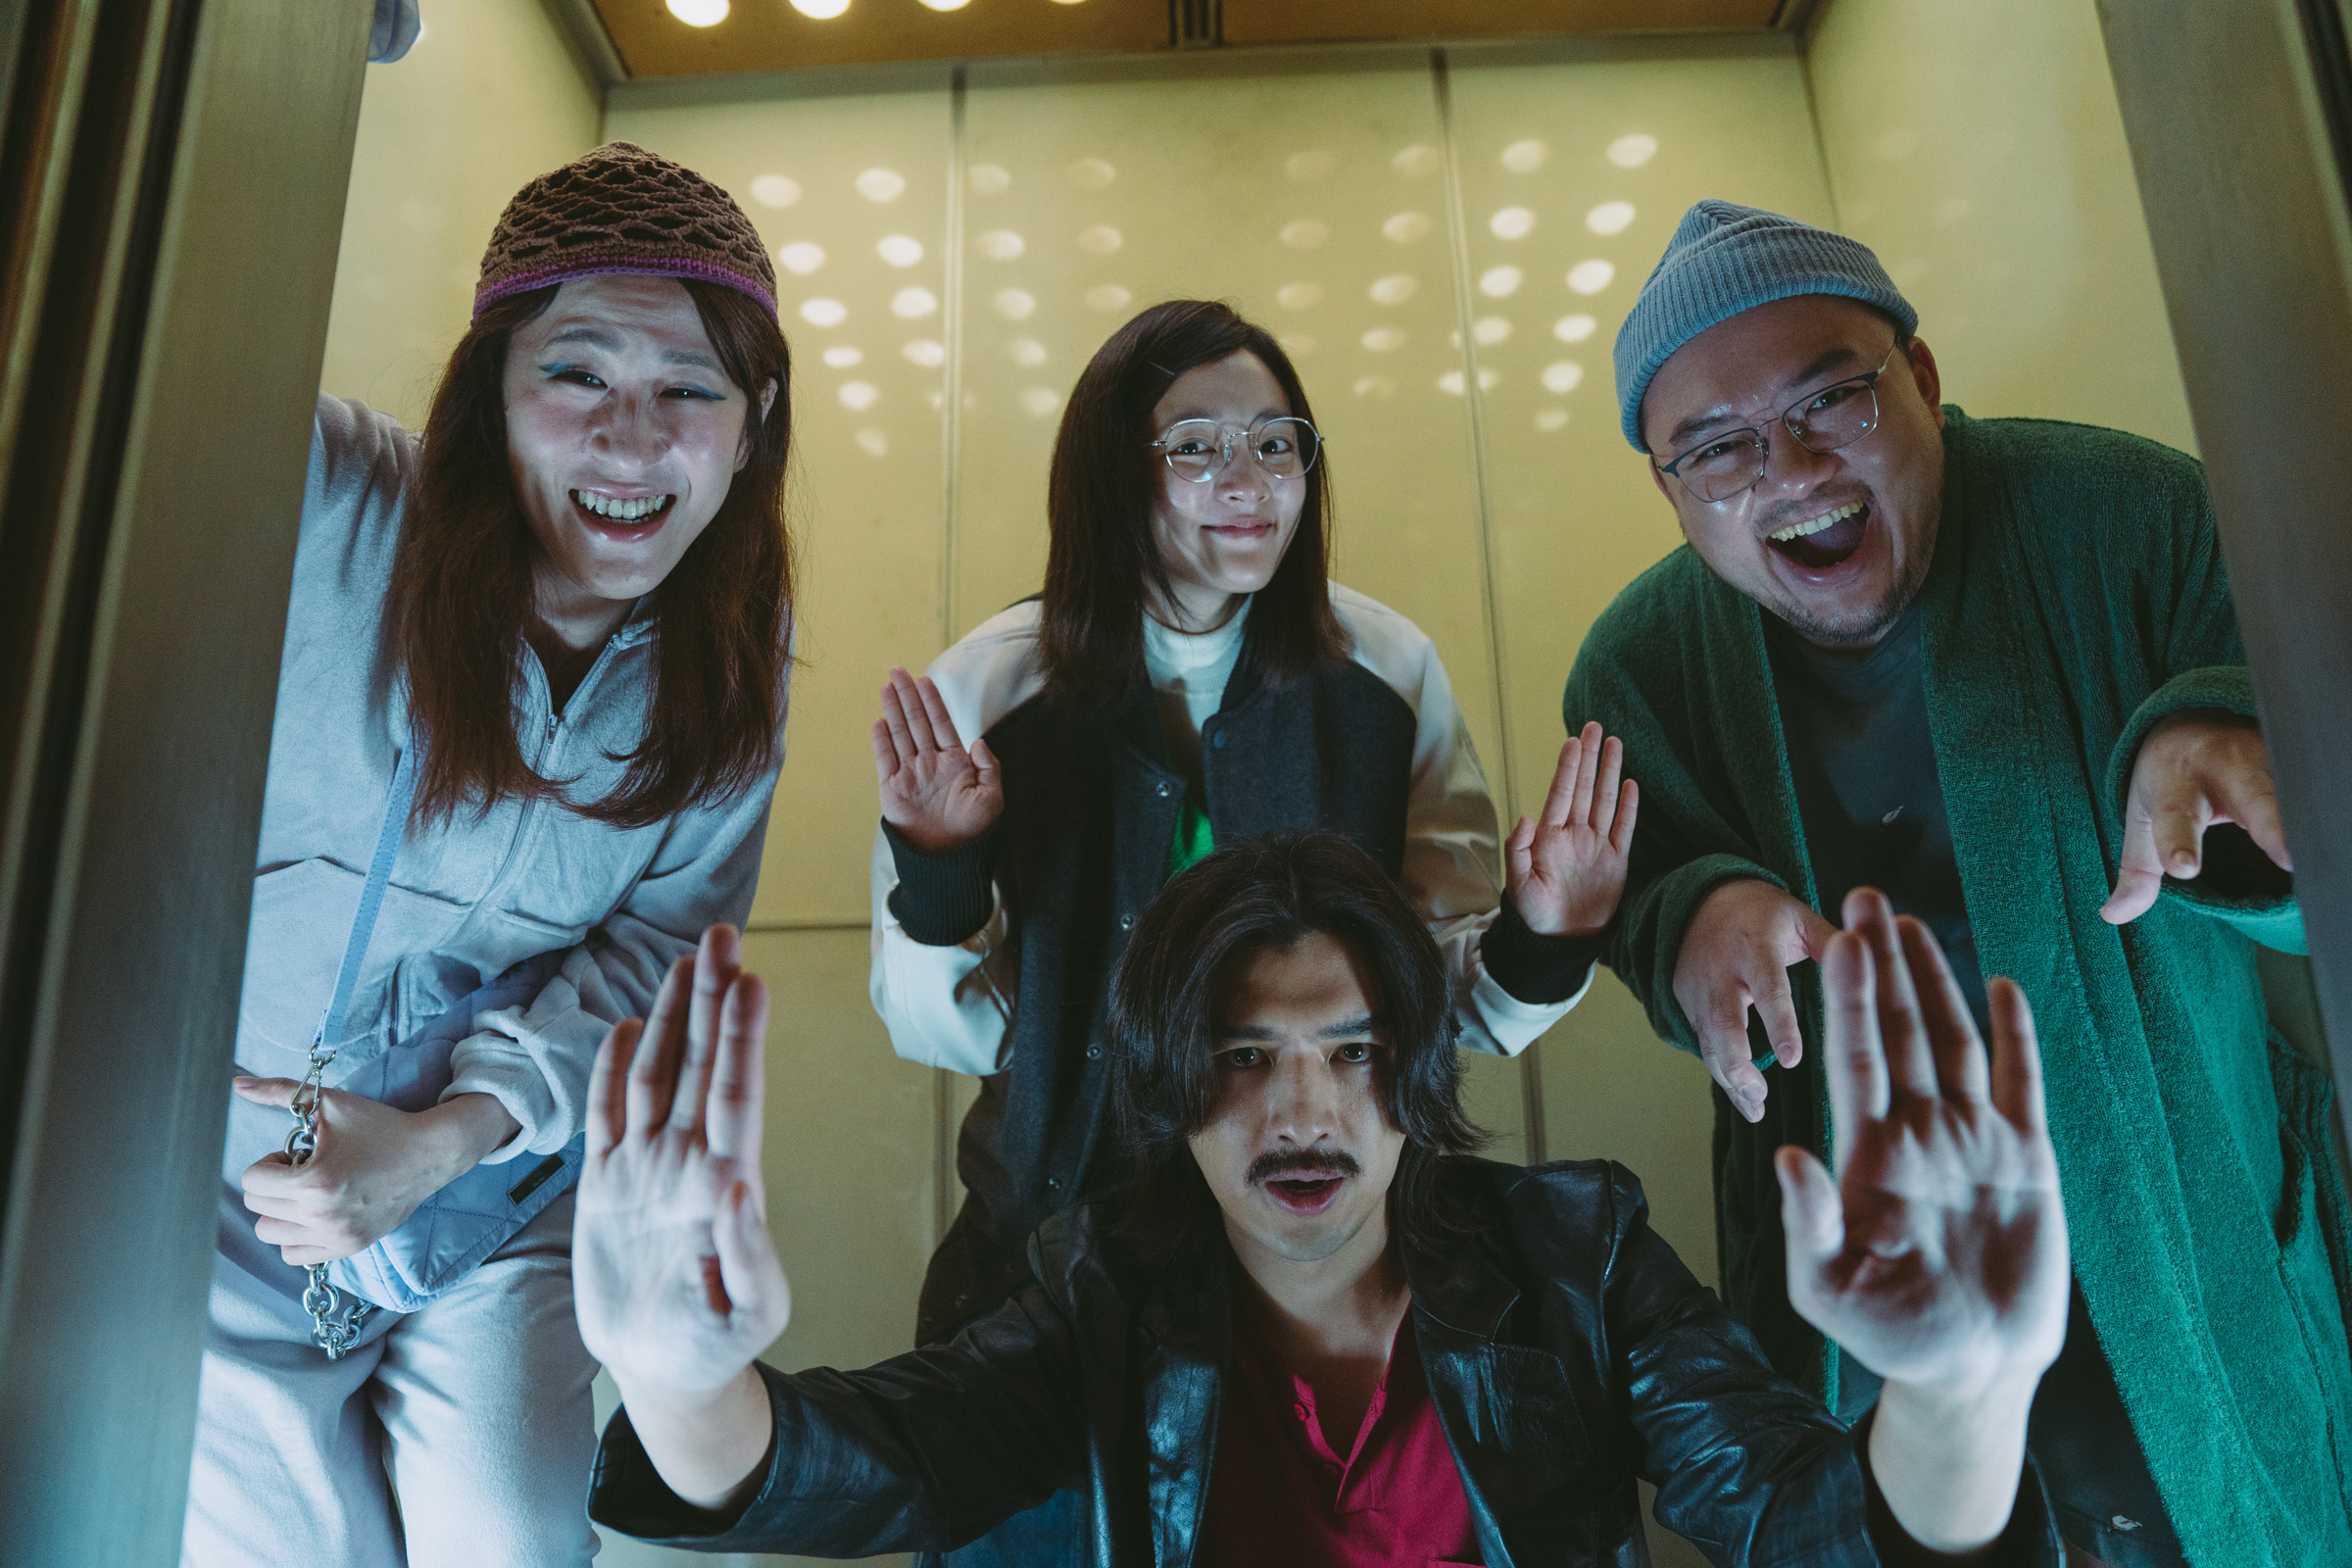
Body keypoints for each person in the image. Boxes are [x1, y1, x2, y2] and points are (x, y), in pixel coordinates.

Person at [573, 832, 2071, 1564]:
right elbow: (884, 1460)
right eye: (1244, 1057)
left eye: (1355, 1053)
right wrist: (675, 1380)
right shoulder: (1105, 1290)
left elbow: (1800, 1524)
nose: (1303, 1110)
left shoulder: (1579, 1255)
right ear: (1173, 1087)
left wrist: (1963, 1397)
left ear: (1417, 1067)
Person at [1563, 200, 2352, 1567]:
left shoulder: (2134, 512)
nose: (1789, 468)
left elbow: (2313, 879)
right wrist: (1692, 915)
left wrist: (2220, 741)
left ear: (1922, 377)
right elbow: (1632, 907)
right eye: (1718, 448)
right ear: (1670, 490)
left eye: (1833, 400)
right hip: (1881, 1290)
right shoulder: (1636, 664)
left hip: (2185, 1228)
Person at [191, 142, 794, 1568]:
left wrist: (450, 1137)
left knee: (511, 1542)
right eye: (576, 374)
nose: (631, 442)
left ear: (752, 426)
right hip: (229, 1189)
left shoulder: (732, 658)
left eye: (690, 390)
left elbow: (660, 952)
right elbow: (148, 351)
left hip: (494, 1178)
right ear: (488, 392)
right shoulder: (332, 505)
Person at [869, 299, 1624, 1357]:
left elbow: (1442, 1009)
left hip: (1327, 1255)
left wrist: (1548, 936)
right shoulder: (988, 692)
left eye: (1276, 444)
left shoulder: (1388, 670)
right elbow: (947, 1035)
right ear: (1110, 474)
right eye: (1196, 446)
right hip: (1049, 1254)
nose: (1249, 480)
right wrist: (940, 868)